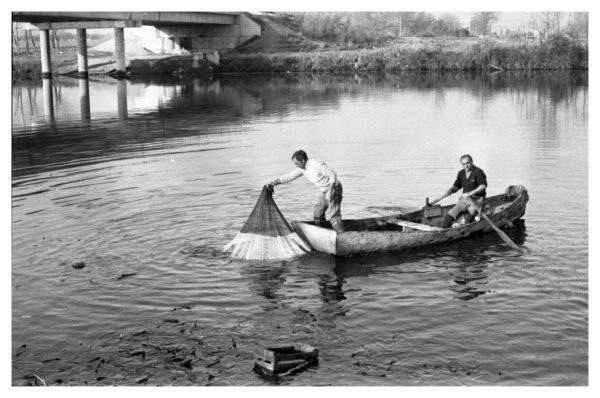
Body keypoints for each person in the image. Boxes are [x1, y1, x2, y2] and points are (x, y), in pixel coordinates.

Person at [267, 149, 344, 232]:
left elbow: (333, 174)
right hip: (325, 191)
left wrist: (330, 190)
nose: (296, 165)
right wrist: (273, 183)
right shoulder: (302, 168)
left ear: (303, 160)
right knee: (317, 213)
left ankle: (341, 235)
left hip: (334, 188)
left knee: (333, 214)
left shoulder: (316, 164)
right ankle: (323, 232)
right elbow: (289, 176)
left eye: (296, 163)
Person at [428, 154, 487, 228]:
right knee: (452, 212)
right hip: (465, 200)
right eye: (463, 164)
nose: (466, 166)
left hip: (478, 200)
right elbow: (455, 187)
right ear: (461, 164)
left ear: (472, 162)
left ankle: (465, 228)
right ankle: (441, 229)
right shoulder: (461, 173)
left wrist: (470, 193)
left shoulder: (478, 172)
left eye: (468, 163)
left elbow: (483, 186)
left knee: (473, 211)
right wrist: (448, 192)